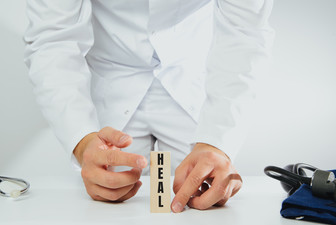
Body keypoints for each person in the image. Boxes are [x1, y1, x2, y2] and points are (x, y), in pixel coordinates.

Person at [24, 0, 274, 213]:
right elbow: (52, 38)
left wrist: (219, 142)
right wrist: (80, 139)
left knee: (201, 202)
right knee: (106, 202)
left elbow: (246, 32)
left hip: (192, 79)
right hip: (110, 79)